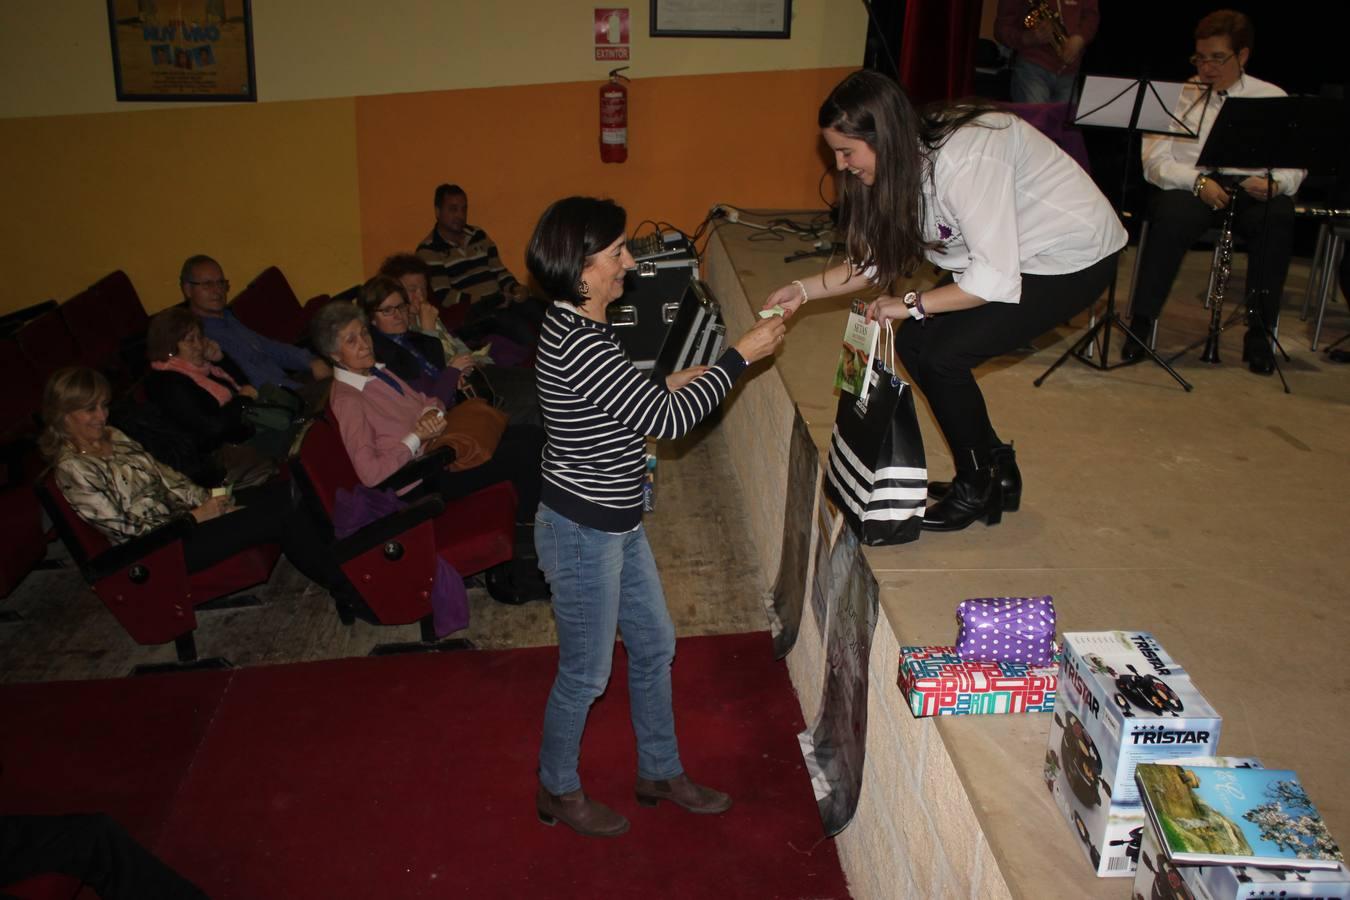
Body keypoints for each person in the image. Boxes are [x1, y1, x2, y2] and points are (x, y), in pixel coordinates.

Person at [525, 196, 785, 838]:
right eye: (617, 251)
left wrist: (666, 381)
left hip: (614, 520)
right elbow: (665, 424)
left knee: (654, 645)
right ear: (580, 270)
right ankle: (556, 788)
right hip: (582, 531)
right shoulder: (579, 340)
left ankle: (659, 771)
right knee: (586, 673)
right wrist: (738, 356)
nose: (630, 260)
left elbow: (621, 402)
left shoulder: (581, 326)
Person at [763, 70, 1125, 531]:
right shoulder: (898, 165)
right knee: (916, 345)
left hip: (1072, 255)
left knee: (943, 354)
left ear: (885, 138)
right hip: (1011, 258)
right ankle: (996, 469)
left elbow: (990, 280)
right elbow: (876, 262)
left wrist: (911, 302)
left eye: (846, 151)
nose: (840, 165)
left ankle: (978, 486)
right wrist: (802, 289)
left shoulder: (966, 157)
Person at [41, 367, 353, 610]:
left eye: (103, 405)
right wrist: (195, 518)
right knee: (279, 514)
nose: (102, 416)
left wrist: (214, 501)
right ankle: (346, 588)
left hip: (188, 519)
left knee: (284, 491)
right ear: (63, 416)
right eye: (90, 410)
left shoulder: (113, 435)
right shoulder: (72, 469)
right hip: (162, 551)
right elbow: (129, 533)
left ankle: (347, 560)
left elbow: (167, 478)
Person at [310, 301, 549, 600]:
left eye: (363, 334)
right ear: (333, 355)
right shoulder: (349, 401)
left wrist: (430, 416)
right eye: (351, 341)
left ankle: (536, 537)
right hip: (422, 480)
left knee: (533, 436)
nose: (364, 344)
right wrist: (414, 437)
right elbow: (370, 475)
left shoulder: (377, 373)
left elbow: (426, 400)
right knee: (525, 456)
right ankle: (529, 559)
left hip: (439, 449)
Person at [1123, 10, 1304, 375]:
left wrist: (1277, 184)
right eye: (1201, 58)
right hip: (1193, 186)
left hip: (1251, 187)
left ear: (1243, 55)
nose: (1207, 67)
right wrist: (1198, 183)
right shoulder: (1176, 97)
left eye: (1218, 58)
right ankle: (1141, 324)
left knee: (1278, 217)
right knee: (1171, 216)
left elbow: (1295, 163)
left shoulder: (1271, 96)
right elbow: (1154, 163)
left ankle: (1259, 334)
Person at [376, 254, 541, 424]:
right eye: (412, 290)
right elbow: (434, 371)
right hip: (463, 388)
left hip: (478, 369)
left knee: (542, 381)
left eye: (424, 289)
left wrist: (475, 359)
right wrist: (428, 330)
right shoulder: (401, 330)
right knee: (538, 403)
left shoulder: (426, 313)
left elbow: (454, 342)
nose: (420, 296)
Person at [143, 308, 287, 486]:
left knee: (298, 420)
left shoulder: (202, 367)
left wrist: (221, 358)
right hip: (222, 455)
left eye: (200, 337)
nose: (199, 345)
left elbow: (242, 384)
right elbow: (212, 428)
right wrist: (242, 401)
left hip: (244, 432)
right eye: (190, 340)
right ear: (170, 347)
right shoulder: (168, 383)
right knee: (295, 435)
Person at [180, 254, 333, 406]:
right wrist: (300, 391)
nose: (217, 290)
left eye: (220, 282)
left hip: (291, 383)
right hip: (277, 401)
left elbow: (269, 347)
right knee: (343, 391)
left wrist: (311, 361)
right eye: (207, 284)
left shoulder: (228, 318)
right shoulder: (196, 337)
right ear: (188, 289)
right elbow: (247, 380)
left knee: (346, 371)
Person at [416, 184, 542, 347]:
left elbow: (499, 271)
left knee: (539, 310)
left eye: (463, 209)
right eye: (453, 209)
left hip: (502, 301)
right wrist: (489, 300)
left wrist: (515, 289)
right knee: (522, 331)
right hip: (475, 313)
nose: (460, 215)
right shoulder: (429, 250)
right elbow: (445, 296)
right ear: (437, 211)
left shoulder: (478, 235)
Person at [995, 0, 1099, 104]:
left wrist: (1080, 38)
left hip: (1070, 72)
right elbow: (1002, 29)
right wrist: (1027, 38)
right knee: (1034, 119)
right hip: (1033, 69)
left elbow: (1091, 16)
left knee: (1064, 120)